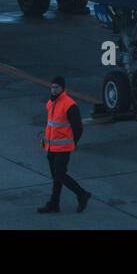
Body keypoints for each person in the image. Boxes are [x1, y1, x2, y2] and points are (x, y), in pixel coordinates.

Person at [39, 76, 91, 214]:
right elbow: (51, 125)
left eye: (57, 87)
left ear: (63, 89)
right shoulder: (50, 103)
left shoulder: (70, 105)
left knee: (60, 175)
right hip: (51, 147)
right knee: (56, 176)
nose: (54, 90)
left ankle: (82, 194)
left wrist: (72, 143)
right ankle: (54, 204)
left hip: (63, 148)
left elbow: (78, 128)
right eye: (52, 87)